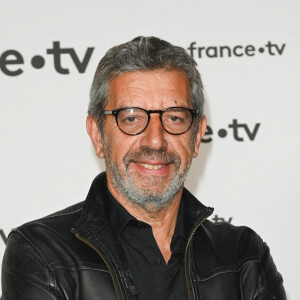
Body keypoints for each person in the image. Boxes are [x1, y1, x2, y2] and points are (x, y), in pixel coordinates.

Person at [1, 36, 286, 300]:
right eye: (132, 118)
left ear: (197, 136)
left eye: (174, 118)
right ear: (98, 135)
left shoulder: (243, 256)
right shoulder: (42, 254)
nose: (155, 140)